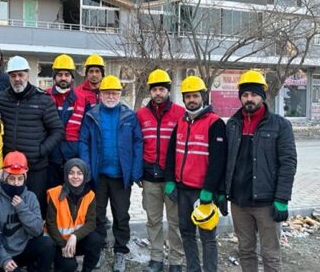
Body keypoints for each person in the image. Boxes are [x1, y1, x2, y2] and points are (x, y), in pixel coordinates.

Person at [224, 70, 298, 272]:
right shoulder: (232, 124)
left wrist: (282, 199)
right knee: (245, 251)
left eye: (254, 94)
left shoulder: (280, 125)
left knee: (270, 255)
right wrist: (222, 193)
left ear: (262, 96)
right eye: (245, 94)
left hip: (266, 202)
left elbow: (288, 163)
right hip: (239, 202)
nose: (249, 99)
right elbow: (226, 162)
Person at [79, 75, 143, 272]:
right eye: (107, 93)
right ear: (100, 95)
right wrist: (86, 170)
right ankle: (96, 251)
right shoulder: (92, 115)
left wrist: (135, 170)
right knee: (97, 216)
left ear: (120, 95)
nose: (111, 96)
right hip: (98, 177)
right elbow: (84, 142)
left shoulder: (129, 116)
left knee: (121, 216)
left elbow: (137, 143)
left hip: (120, 177)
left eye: (115, 93)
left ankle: (120, 253)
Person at [164, 76, 227, 272]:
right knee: (187, 233)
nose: (191, 100)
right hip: (183, 190)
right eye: (188, 96)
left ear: (204, 97)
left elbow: (218, 162)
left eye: (195, 96)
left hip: (203, 193)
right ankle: (193, 269)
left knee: (208, 237)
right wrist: (169, 181)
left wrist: (209, 191)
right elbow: (171, 155)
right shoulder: (181, 123)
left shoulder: (215, 123)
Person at [0, 56, 64, 217]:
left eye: (21, 75)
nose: (17, 79)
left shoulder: (43, 100)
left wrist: (40, 151)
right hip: (9, 169)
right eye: (13, 75)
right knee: (9, 210)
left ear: (28, 74)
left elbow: (57, 130)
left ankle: (35, 240)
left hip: (35, 168)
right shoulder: (1, 98)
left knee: (35, 208)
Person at [136, 69, 186, 272]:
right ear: (150, 91)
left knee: (175, 222)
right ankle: (156, 258)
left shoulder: (180, 114)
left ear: (168, 90)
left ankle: (176, 260)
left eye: (162, 89)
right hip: (149, 178)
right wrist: (138, 172)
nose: (158, 93)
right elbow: (136, 144)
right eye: (155, 89)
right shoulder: (141, 115)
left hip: (172, 178)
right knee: (153, 221)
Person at [0, 151, 54, 272]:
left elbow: (37, 230)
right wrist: (4, 259)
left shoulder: (30, 197)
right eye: (12, 179)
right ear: (4, 177)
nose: (16, 183)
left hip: (24, 249)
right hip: (4, 254)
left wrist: (22, 208)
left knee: (48, 244)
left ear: (25, 178)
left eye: (20, 179)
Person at [46, 159, 102, 272]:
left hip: (77, 240)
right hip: (59, 243)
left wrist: (74, 236)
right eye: (71, 173)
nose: (75, 176)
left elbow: (91, 223)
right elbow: (50, 224)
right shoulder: (55, 194)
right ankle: (57, 262)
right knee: (69, 266)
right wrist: (63, 245)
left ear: (85, 175)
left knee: (96, 240)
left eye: (79, 173)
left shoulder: (90, 195)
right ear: (66, 175)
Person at [46, 54, 86, 187]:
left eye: (67, 74)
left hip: (73, 157)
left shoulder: (82, 99)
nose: (63, 78)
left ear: (72, 77)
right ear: (54, 77)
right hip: (51, 157)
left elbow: (85, 129)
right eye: (59, 74)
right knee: (51, 196)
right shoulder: (45, 96)